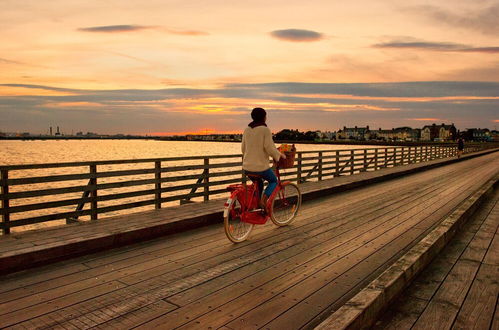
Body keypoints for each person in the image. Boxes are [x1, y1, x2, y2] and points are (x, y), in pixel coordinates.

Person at [241, 107, 286, 209]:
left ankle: (257, 205)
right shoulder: (265, 130)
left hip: (247, 168)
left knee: (259, 183)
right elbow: (270, 148)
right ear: (264, 117)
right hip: (260, 168)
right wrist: (280, 156)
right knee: (274, 181)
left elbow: (243, 149)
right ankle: (264, 200)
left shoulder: (247, 130)